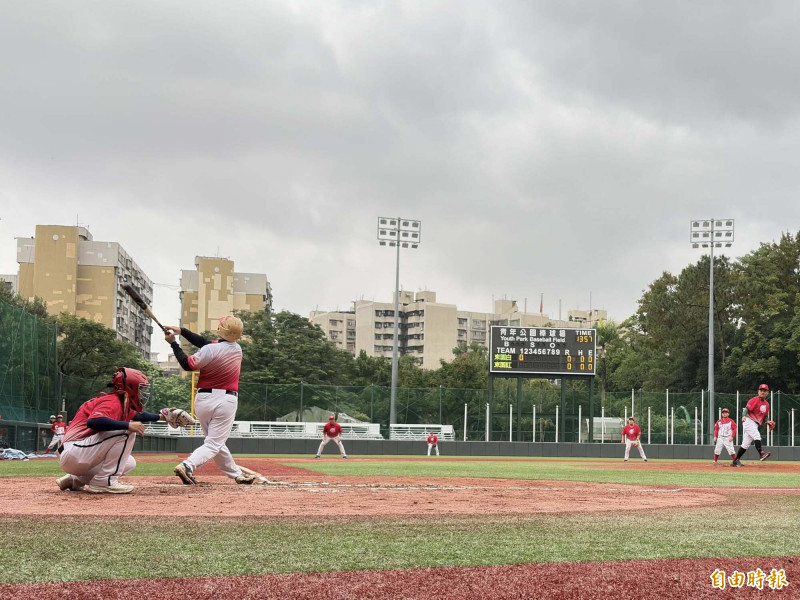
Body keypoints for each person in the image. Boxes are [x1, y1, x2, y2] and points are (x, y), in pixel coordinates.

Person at [165, 316, 255, 485]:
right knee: (214, 442)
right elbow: (206, 343)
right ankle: (188, 465)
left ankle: (236, 474)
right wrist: (181, 331)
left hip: (203, 399)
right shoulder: (237, 349)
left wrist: (174, 343)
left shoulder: (209, 350)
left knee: (214, 441)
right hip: (226, 400)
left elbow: (187, 364)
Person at [56, 367, 167, 494]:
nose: (142, 393)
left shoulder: (119, 403)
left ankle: (75, 480)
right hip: (74, 452)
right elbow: (94, 422)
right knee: (127, 430)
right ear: (130, 387)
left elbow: (138, 415)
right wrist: (128, 426)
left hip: (75, 454)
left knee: (129, 463)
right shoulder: (112, 401)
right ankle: (104, 482)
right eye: (140, 388)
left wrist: (162, 417)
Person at [732, 383, 773, 466]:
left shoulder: (767, 404)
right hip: (749, 421)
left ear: (767, 393)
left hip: (755, 424)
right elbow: (746, 409)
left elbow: (765, 416)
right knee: (757, 436)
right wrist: (743, 416)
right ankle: (762, 454)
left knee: (745, 444)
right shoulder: (754, 400)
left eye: (765, 391)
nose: (763, 392)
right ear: (758, 391)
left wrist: (768, 421)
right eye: (761, 390)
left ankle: (736, 460)